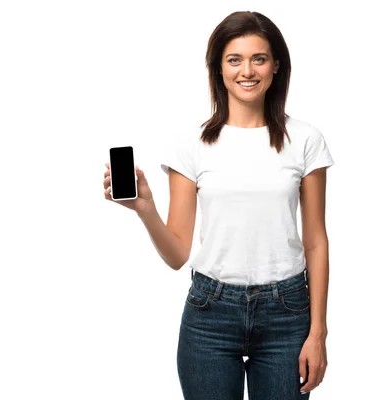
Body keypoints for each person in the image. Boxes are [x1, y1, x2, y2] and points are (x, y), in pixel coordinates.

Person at [103, 10, 333, 400]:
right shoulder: (191, 145)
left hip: (287, 313)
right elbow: (177, 253)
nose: (248, 70)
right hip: (210, 315)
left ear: (276, 66)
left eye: (258, 58)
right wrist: (145, 209)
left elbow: (316, 241)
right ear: (218, 69)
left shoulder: (305, 139)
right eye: (234, 59)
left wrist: (318, 332)